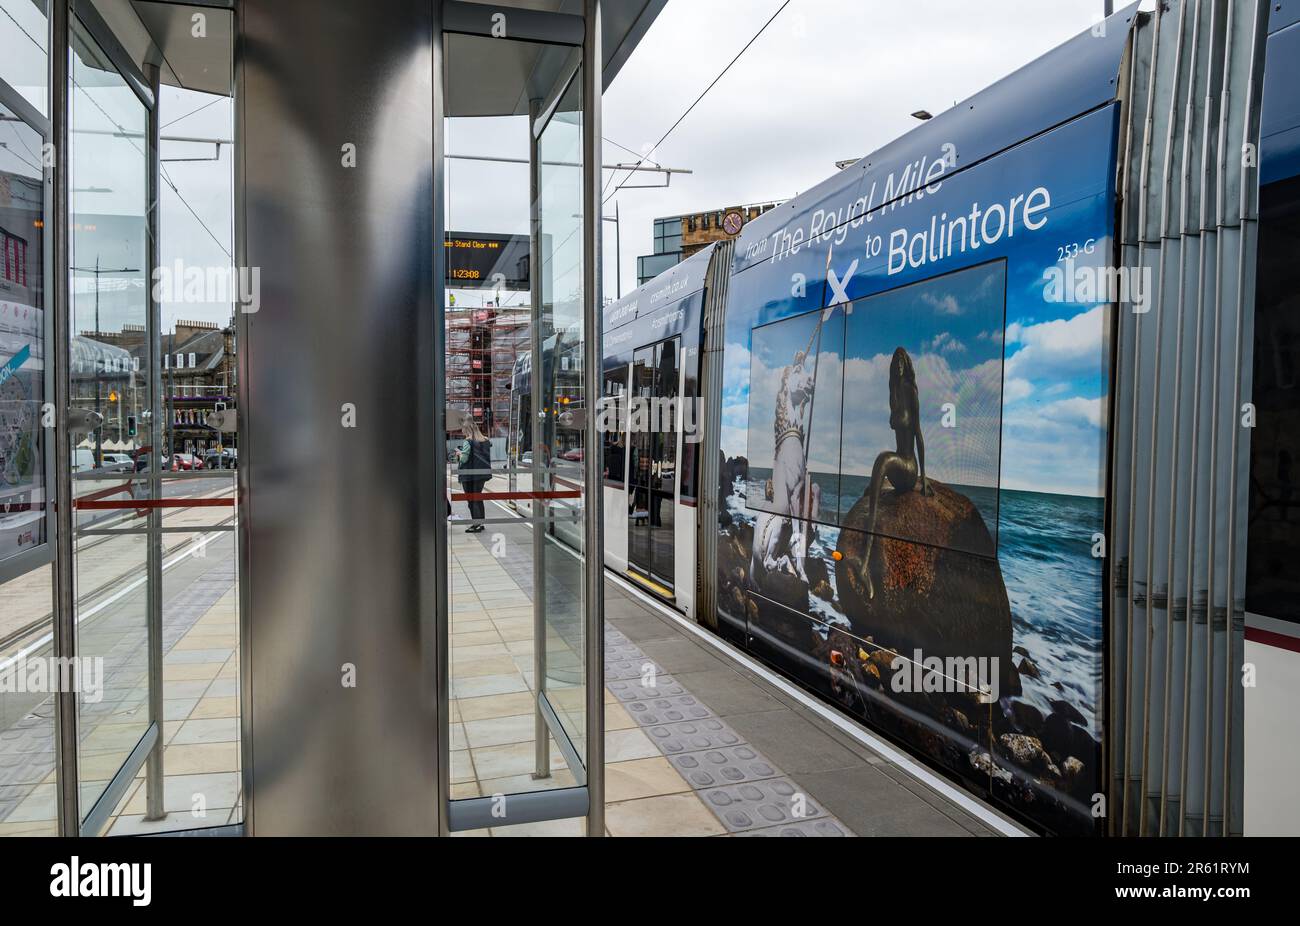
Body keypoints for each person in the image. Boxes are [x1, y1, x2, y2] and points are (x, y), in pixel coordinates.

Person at [857, 346, 930, 599]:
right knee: (880, 471)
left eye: (902, 361)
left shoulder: (910, 392)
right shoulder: (894, 395)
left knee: (882, 459)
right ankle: (865, 561)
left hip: (908, 468)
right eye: (895, 361)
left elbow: (918, 434)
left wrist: (925, 477)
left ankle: (865, 565)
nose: (899, 365)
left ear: (906, 364)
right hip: (898, 468)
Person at [457, 418, 493, 533]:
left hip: (469, 475)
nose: (462, 430)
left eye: (463, 428)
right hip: (482, 474)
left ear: (467, 429)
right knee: (478, 498)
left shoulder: (468, 441)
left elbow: (464, 458)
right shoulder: (486, 440)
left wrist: (459, 454)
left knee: (472, 500)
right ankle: (481, 523)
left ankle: (476, 524)